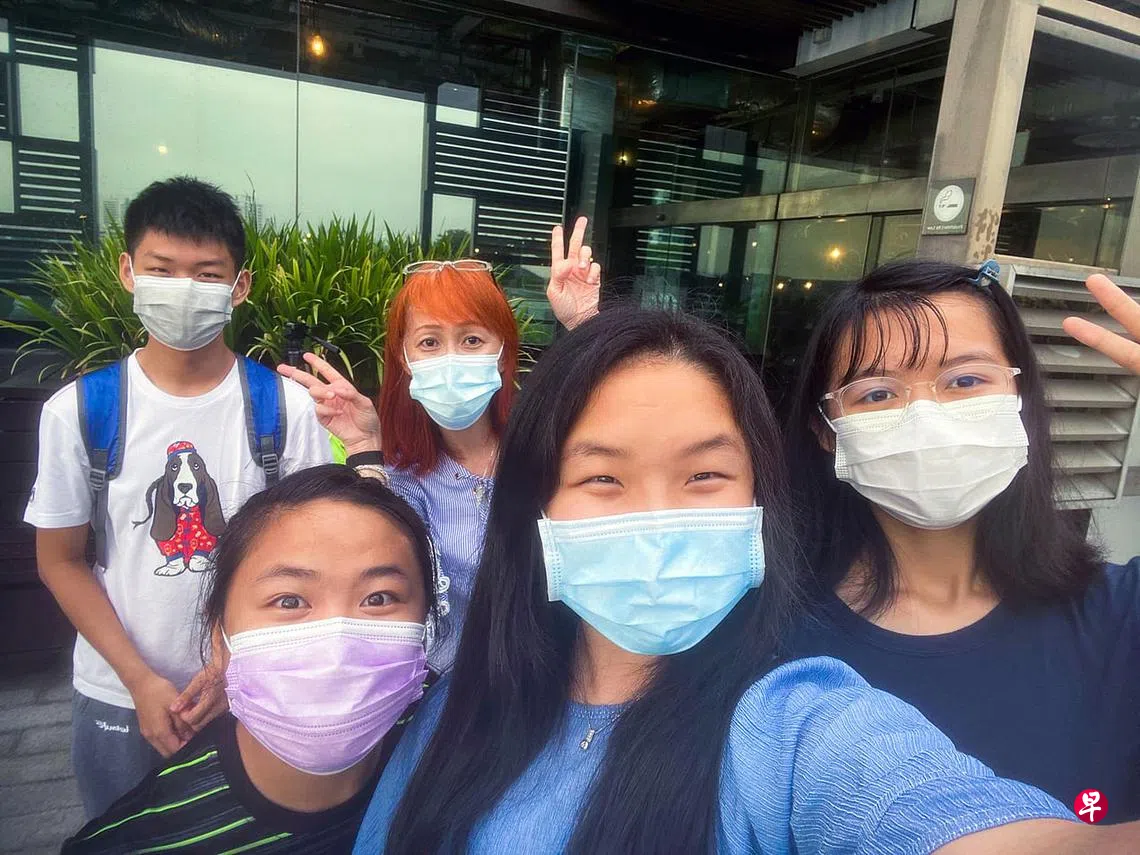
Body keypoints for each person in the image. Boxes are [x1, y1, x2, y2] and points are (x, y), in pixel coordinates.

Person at [352, 307, 1139, 854]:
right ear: (536, 505)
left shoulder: (796, 726)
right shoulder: (460, 707)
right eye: (602, 478)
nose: (657, 516)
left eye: (704, 475)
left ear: (760, 500)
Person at [786, 259, 1140, 821]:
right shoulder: (776, 641)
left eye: (966, 381)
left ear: (1018, 396)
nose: (925, 417)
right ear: (826, 430)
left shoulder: (1120, 615)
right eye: (876, 394)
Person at [24, 176, 332, 818]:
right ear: (128, 272)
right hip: (116, 690)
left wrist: (227, 664)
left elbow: (308, 556)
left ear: (239, 287)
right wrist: (140, 680)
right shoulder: (78, 410)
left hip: (252, 683)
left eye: (206, 273)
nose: (183, 289)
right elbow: (60, 559)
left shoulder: (286, 407)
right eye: (162, 270)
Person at [62, 465, 438, 853]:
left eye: (379, 598)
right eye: (289, 601)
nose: (338, 643)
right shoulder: (139, 842)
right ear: (220, 636)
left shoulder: (452, 735)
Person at [278, 217, 600, 669]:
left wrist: (585, 325)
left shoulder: (552, 449)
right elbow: (368, 561)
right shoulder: (399, 476)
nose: (451, 358)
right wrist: (364, 445)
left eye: (472, 339)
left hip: (561, 680)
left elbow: (627, 435)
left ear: (502, 353)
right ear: (405, 358)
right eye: (429, 342)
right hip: (445, 689)